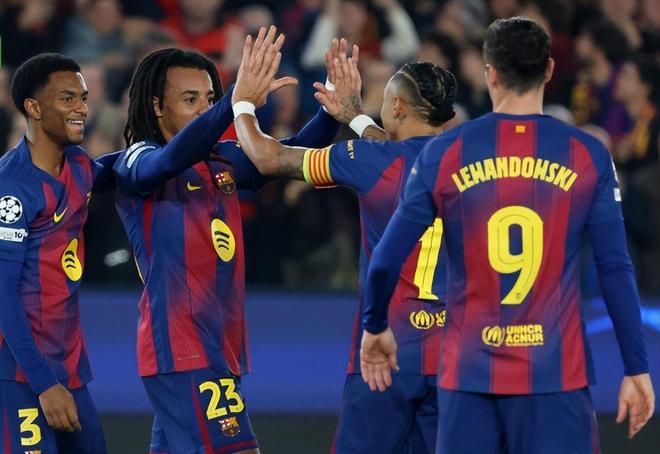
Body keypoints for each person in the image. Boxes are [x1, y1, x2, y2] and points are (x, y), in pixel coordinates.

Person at [359, 17, 655, 454]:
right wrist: (636, 367)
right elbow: (614, 266)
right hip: (556, 376)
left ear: (490, 74)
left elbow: (385, 259)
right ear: (549, 70)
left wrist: (375, 326)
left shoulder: (445, 152)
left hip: (467, 376)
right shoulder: (588, 154)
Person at [113, 26, 342, 454]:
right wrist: (234, 102)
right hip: (182, 346)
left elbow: (289, 153)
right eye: (190, 100)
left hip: (219, 344)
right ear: (157, 107)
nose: (204, 109)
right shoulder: (136, 160)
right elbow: (166, 161)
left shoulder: (223, 160)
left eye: (209, 98)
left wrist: (332, 111)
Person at [231, 36, 457, 452]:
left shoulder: (366, 161)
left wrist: (241, 103)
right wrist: (355, 116)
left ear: (398, 107)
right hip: (454, 356)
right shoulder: (471, 164)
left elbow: (266, 157)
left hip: (384, 352)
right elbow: (405, 152)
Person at [0, 53, 118, 453]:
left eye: (83, 97)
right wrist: (43, 384)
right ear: (33, 108)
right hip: (19, 374)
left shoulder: (80, 166)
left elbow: (140, 169)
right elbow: (3, 294)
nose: (82, 108)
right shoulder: (11, 188)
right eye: (68, 98)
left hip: (68, 369)